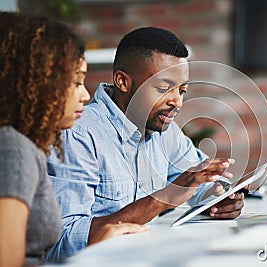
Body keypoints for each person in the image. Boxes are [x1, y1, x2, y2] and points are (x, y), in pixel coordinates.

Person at [46, 26, 245, 261]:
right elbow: (62, 244)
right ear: (122, 81)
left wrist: (219, 197)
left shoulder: (162, 128)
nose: (177, 102)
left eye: (182, 91)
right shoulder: (78, 134)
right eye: (164, 89)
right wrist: (164, 197)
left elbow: (198, 180)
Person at [0, 12, 147, 267]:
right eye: (76, 81)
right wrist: (92, 254)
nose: (86, 95)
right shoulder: (14, 149)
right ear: (34, 82)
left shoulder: (21, 145)